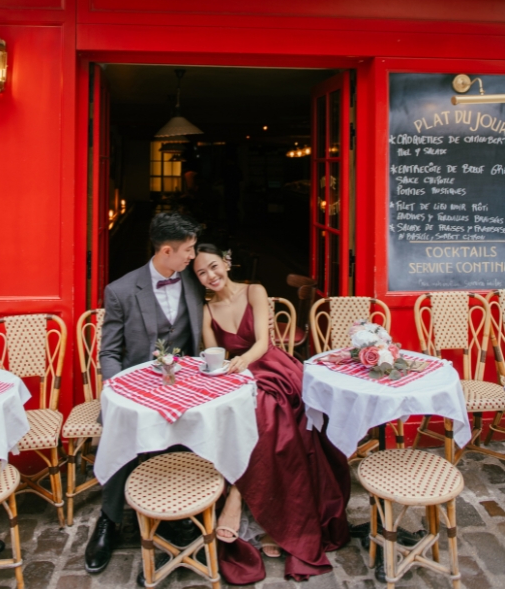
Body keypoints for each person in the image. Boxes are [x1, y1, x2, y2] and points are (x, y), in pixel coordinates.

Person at [194, 243, 350, 584]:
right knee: (249, 408)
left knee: (266, 405)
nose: (211, 276)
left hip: (271, 368)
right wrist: (227, 371)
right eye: (202, 272)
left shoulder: (255, 290)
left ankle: (236, 496)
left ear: (227, 262)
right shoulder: (207, 310)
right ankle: (264, 512)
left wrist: (243, 365)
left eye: (214, 266)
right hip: (234, 377)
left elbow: (263, 343)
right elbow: (211, 354)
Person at [85, 211, 204, 575]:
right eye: (188, 249)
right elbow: (109, 350)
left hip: (185, 385)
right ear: (166, 250)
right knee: (122, 436)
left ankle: (178, 512)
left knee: (193, 432)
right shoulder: (121, 289)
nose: (192, 256)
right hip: (135, 387)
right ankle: (109, 520)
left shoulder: (196, 282)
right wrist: (117, 390)